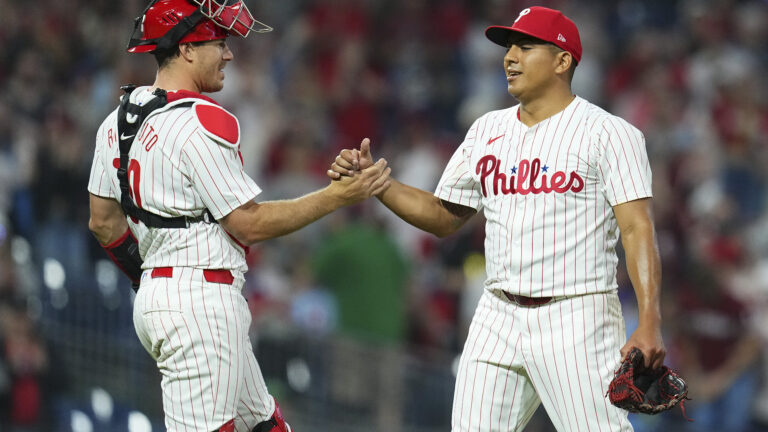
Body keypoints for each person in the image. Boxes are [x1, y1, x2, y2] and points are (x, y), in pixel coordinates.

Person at [330, 6, 665, 431]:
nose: (510, 57)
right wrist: (379, 184)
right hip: (497, 313)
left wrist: (650, 322)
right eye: (509, 48)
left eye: (526, 47)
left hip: (576, 316)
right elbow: (442, 215)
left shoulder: (610, 134)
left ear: (563, 60)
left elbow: (638, 229)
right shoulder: (487, 129)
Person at [86, 1, 390, 431]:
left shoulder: (116, 120)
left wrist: (151, 277)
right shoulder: (201, 121)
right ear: (188, 49)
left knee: (265, 424)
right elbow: (248, 223)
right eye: (219, 42)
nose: (228, 54)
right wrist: (338, 196)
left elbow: (103, 221)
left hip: (163, 295)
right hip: (200, 302)